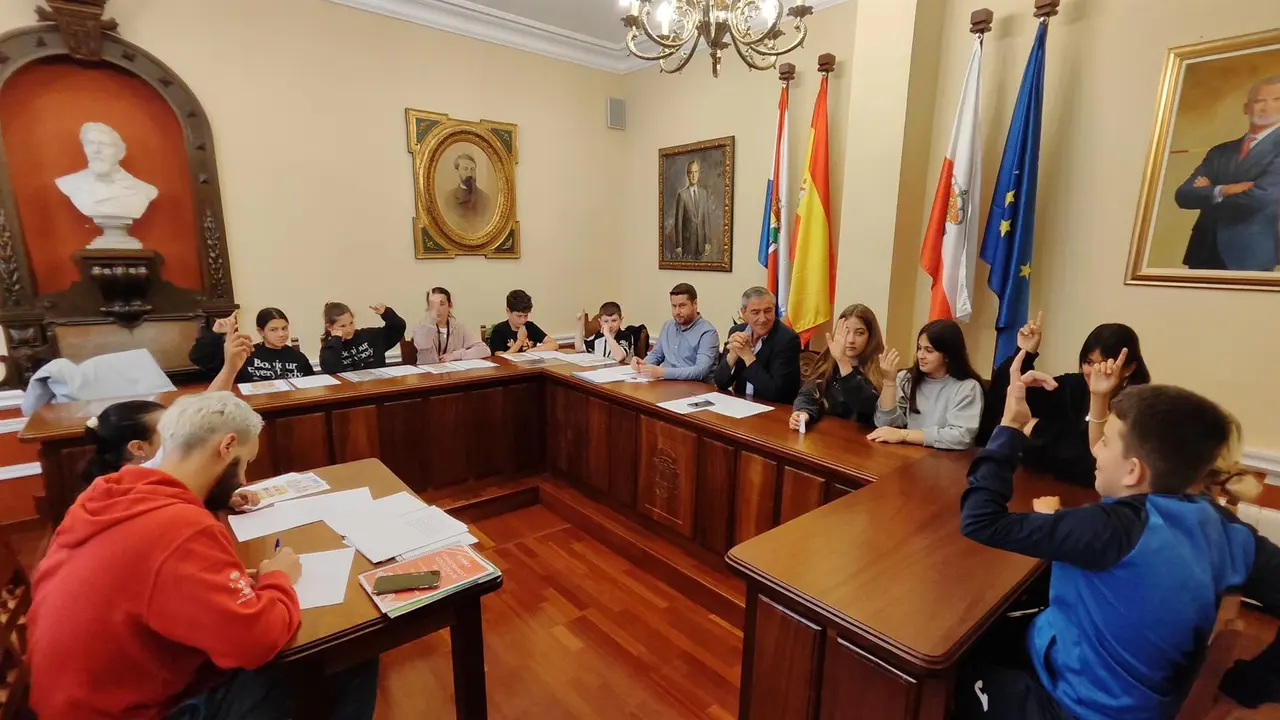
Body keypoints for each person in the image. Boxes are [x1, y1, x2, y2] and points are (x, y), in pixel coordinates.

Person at [954, 356, 1280, 720]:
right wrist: (1248, 685)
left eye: (1105, 442)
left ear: (1132, 471)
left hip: (1071, 707)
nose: (1096, 450)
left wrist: (1010, 425)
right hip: (1146, 701)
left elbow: (980, 521)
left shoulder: (1108, 528)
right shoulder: (1226, 529)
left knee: (948, 671)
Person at [28, 391, 380, 720]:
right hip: (134, 710)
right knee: (349, 652)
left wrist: (235, 582)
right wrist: (278, 578)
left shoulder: (109, 493)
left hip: (74, 699)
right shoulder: (181, 527)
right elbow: (255, 641)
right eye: (244, 463)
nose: (242, 479)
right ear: (227, 446)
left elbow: (154, 584)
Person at [977, 315, 1151, 486]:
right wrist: (1025, 353)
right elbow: (1002, 404)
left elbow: (1090, 463)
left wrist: (1035, 428)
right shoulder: (1073, 385)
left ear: (1129, 368)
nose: (1093, 372)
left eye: (1104, 364)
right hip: (1042, 485)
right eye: (1089, 362)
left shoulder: (1138, 406)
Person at [1174, 75, 1280, 271]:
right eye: (1259, 101)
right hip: (1204, 251)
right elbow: (1183, 195)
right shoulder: (1220, 151)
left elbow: (1261, 199)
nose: (1266, 108)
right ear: (1246, 108)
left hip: (1250, 254)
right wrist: (1225, 190)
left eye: (1277, 100)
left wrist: (1209, 192)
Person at [871, 318, 982, 449]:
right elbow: (885, 424)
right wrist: (889, 382)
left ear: (947, 355)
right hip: (907, 455)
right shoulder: (906, 378)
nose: (920, 355)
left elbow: (960, 436)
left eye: (929, 351)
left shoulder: (967, 387)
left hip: (947, 461)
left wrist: (904, 435)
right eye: (919, 348)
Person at [790, 304, 885, 430]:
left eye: (859, 333)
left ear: (870, 337)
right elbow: (808, 394)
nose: (851, 340)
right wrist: (802, 412)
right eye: (846, 332)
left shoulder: (880, 368)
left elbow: (866, 407)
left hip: (864, 443)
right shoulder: (828, 361)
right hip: (828, 438)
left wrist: (843, 362)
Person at [713, 286, 801, 404]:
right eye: (755, 312)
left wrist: (748, 357)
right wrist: (732, 356)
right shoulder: (736, 331)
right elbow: (720, 382)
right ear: (744, 313)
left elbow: (775, 393)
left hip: (774, 411)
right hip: (741, 404)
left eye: (768, 311)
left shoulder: (787, 339)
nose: (763, 318)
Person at [54, 121, 158, 221]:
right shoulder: (69, 184)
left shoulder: (144, 190)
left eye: (104, 144)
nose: (96, 150)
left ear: (121, 152)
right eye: (90, 144)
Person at [190, 308, 315, 383]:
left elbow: (312, 385)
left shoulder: (298, 358)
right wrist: (215, 333)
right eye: (274, 330)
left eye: (284, 328)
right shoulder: (247, 353)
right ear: (261, 332)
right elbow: (199, 358)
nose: (281, 334)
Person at [631, 283, 719, 382]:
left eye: (682, 306)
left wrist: (663, 372)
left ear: (695, 304)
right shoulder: (668, 326)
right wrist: (643, 364)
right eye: (674, 306)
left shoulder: (708, 333)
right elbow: (656, 355)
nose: (677, 312)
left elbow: (700, 371)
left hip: (695, 388)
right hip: (665, 384)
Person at [319, 301, 406, 374]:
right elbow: (330, 369)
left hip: (377, 385)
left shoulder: (369, 336)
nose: (349, 329)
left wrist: (387, 314)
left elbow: (398, 329)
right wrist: (336, 340)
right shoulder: (329, 349)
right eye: (342, 326)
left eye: (351, 323)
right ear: (329, 327)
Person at [412, 287, 491, 365]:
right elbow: (423, 350)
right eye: (433, 305)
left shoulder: (460, 327)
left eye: (441, 304)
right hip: (429, 374)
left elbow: (484, 350)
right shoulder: (422, 328)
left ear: (450, 305)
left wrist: (455, 355)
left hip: (455, 374)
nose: (437, 309)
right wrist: (432, 318)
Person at [488, 289, 558, 355]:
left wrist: (530, 351)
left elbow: (553, 344)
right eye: (519, 316)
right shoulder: (499, 330)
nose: (523, 320)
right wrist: (520, 341)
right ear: (508, 311)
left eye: (526, 315)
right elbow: (500, 358)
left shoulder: (530, 326)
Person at [444, 152, 494, 235]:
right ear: (457, 171)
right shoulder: (448, 198)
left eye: (472, 169)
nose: (470, 173)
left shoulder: (486, 198)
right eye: (465, 169)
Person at [673, 160, 713, 260]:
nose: (694, 176)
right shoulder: (682, 195)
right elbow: (678, 223)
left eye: (696, 172)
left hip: (701, 244)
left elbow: (706, 219)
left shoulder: (703, 194)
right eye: (691, 173)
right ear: (687, 175)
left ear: (698, 174)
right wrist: (678, 245)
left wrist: (707, 241)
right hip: (687, 244)